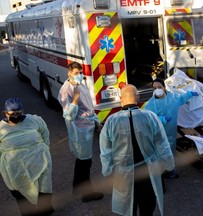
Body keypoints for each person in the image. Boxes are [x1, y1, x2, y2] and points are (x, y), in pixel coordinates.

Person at [99, 84, 175, 216]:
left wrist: (107, 171)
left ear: (121, 99)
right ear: (138, 97)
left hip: (123, 174)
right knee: (147, 206)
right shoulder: (150, 117)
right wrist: (168, 164)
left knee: (128, 207)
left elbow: (105, 150)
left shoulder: (111, 121)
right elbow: (162, 143)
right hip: (147, 173)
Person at [58, 61, 104, 202]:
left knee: (83, 160)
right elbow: (69, 115)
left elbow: (89, 106)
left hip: (87, 126)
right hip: (79, 130)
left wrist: (96, 121)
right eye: (76, 73)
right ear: (69, 73)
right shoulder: (66, 90)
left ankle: (77, 188)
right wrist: (76, 99)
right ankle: (86, 194)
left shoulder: (80, 84)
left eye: (81, 73)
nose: (79, 75)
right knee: (85, 162)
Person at [0, 98, 54, 216]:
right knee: (22, 195)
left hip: (40, 163)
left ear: (22, 111)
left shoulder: (34, 120)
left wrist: (43, 149)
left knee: (43, 191)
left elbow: (45, 134)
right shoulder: (1, 128)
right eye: (12, 114)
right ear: (5, 113)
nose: (15, 116)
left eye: (18, 113)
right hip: (16, 170)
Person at [144, 78, 198, 178]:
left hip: (171, 132)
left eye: (159, 87)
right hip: (158, 133)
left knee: (170, 150)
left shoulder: (173, 97)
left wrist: (190, 94)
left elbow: (181, 99)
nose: (157, 90)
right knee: (159, 151)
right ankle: (160, 172)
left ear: (164, 87)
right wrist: (162, 119)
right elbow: (148, 119)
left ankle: (170, 171)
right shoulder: (150, 104)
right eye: (154, 88)